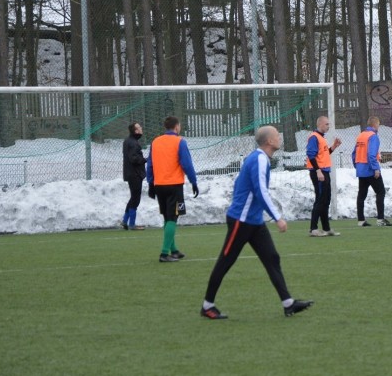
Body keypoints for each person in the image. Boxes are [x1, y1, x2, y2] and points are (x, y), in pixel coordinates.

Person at [200, 125, 313, 320]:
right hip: (241, 221)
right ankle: (207, 305)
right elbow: (261, 191)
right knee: (225, 261)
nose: (279, 137)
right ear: (269, 141)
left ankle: (288, 304)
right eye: (277, 135)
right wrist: (277, 217)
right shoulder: (259, 159)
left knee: (272, 258)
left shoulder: (258, 158)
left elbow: (241, 185)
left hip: (253, 221)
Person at [146, 116, 199, 262]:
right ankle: (164, 254)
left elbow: (150, 164)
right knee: (173, 217)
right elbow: (186, 164)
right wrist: (194, 181)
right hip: (174, 186)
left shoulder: (155, 142)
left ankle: (174, 250)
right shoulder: (179, 141)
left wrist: (150, 183)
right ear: (176, 127)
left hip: (159, 185)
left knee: (167, 217)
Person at [352, 116, 392, 227]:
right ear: (375, 125)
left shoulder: (361, 136)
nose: (379, 126)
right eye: (378, 124)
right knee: (380, 192)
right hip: (370, 169)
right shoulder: (373, 136)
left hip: (361, 169)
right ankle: (380, 219)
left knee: (362, 194)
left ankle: (361, 220)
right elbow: (371, 154)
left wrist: (357, 166)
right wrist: (376, 169)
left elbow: (354, 154)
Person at [306, 116, 342, 237]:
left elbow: (323, 154)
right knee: (320, 199)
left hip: (324, 172)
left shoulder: (321, 138)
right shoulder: (314, 137)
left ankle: (326, 228)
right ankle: (313, 228)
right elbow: (311, 155)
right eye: (326, 124)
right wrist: (318, 171)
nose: (328, 126)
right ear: (320, 124)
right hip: (319, 173)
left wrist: (333, 147)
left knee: (326, 199)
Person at [121, 122, 146, 230]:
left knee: (133, 198)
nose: (141, 128)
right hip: (135, 174)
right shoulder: (133, 143)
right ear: (136, 131)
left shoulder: (128, 141)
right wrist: (146, 159)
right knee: (136, 199)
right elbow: (134, 159)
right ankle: (132, 224)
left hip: (131, 173)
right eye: (139, 127)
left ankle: (125, 221)